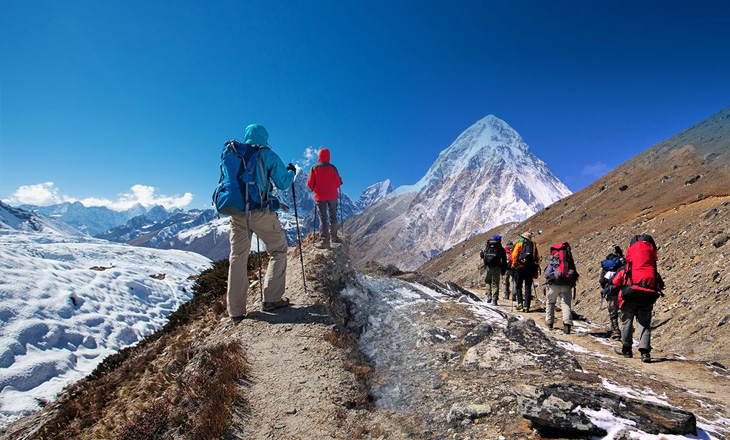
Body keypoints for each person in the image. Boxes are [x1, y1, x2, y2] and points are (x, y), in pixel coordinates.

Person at [225, 124, 296, 323]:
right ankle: (272, 299)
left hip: (237, 213)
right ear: (265, 138)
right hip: (260, 212)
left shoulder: (234, 153)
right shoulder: (267, 154)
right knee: (279, 250)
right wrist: (291, 172)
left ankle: (236, 311)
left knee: (237, 258)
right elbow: (283, 182)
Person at [611, 235, 665, 363]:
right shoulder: (652, 269)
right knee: (644, 324)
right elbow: (659, 285)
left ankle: (627, 349)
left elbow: (615, 281)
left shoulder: (628, 268)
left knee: (626, 323)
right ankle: (645, 352)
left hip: (628, 297)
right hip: (646, 299)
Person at [307, 148, 343, 249]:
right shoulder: (333, 168)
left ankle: (325, 241)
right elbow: (338, 183)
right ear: (329, 156)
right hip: (332, 196)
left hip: (319, 196)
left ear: (319, 156)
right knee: (333, 216)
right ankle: (334, 237)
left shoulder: (314, 168)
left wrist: (316, 188)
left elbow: (310, 184)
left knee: (322, 218)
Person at [543, 242, 579, 334]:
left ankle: (549, 323)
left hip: (554, 284)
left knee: (550, 302)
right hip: (567, 284)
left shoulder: (554, 258)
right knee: (566, 303)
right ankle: (567, 324)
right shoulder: (568, 258)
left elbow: (547, 272)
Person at [599, 246, 625, 340]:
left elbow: (602, 281)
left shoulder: (606, 269)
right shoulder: (621, 265)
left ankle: (616, 332)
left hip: (611, 292)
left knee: (613, 314)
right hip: (622, 291)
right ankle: (627, 330)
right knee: (624, 312)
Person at [511, 232, 540, 312]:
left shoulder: (519, 244)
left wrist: (514, 264)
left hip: (520, 268)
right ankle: (526, 306)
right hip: (530, 268)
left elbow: (514, 255)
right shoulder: (533, 245)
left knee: (518, 286)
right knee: (528, 286)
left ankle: (520, 303)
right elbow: (537, 257)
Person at [481, 235, 507, 305]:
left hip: (488, 267)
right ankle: (495, 300)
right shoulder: (501, 249)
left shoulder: (487, 247)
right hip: (497, 267)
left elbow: (483, 256)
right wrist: (503, 270)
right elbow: (504, 261)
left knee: (487, 281)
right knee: (495, 284)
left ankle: (489, 295)